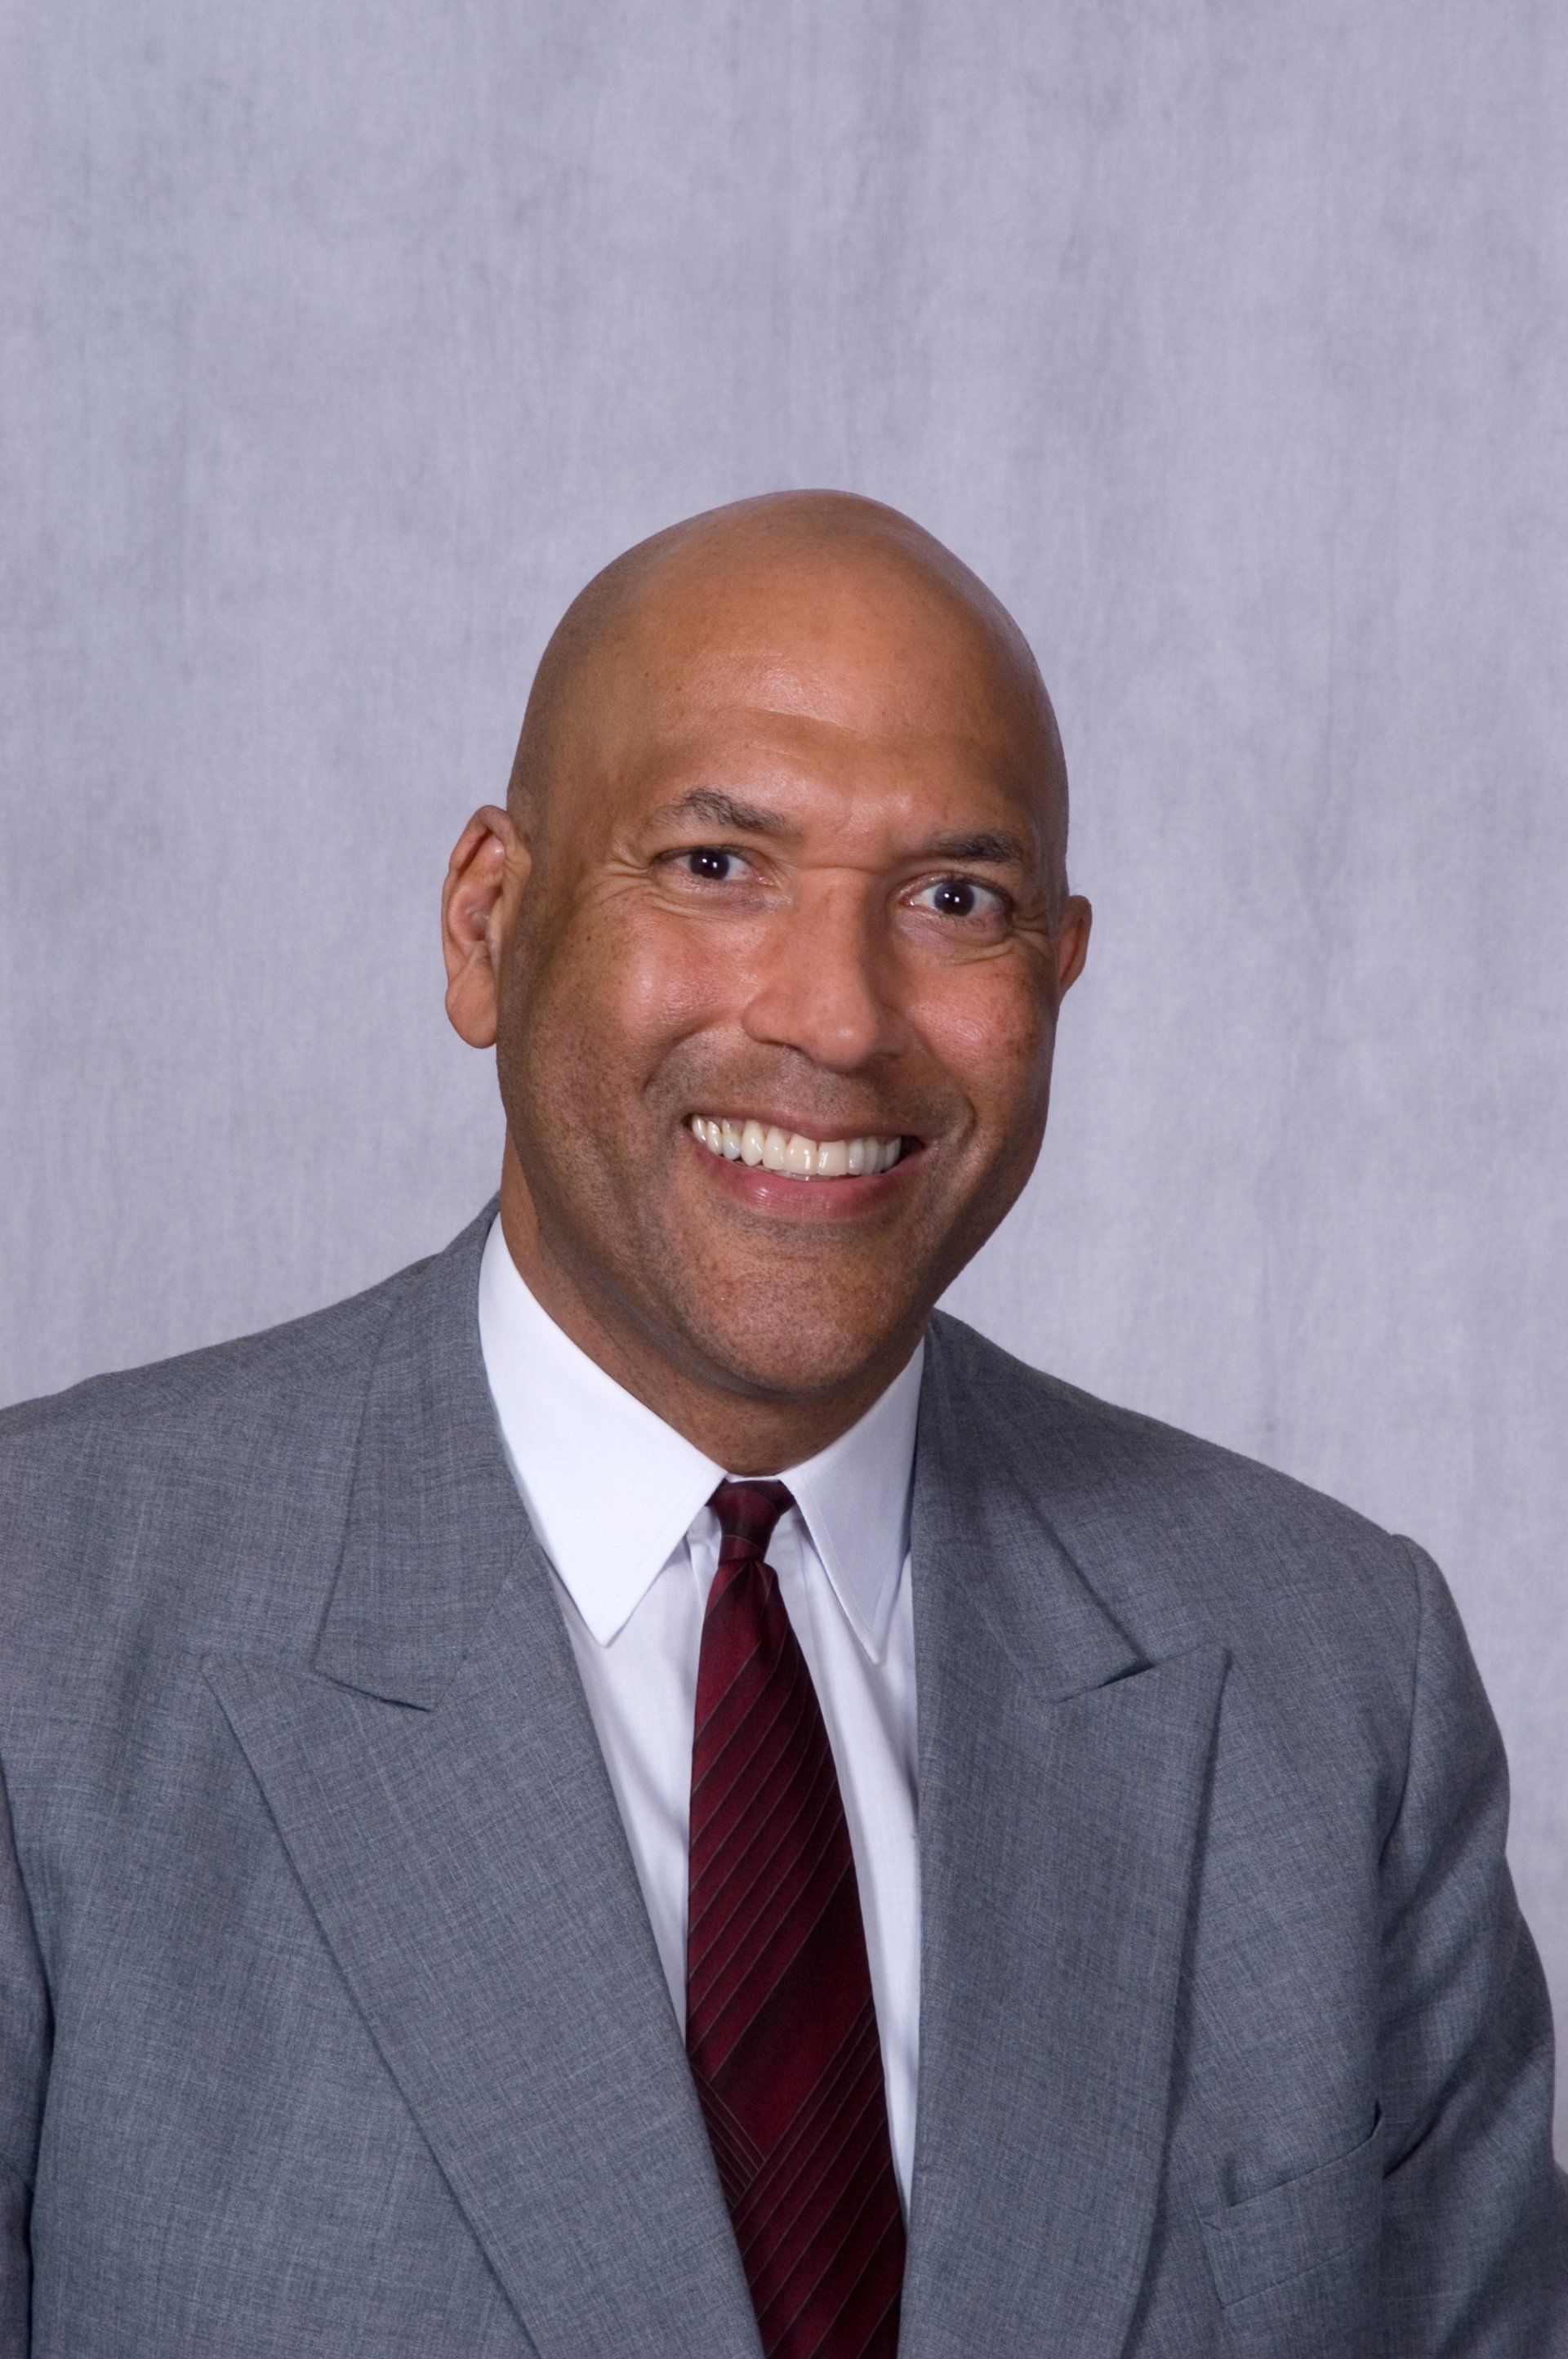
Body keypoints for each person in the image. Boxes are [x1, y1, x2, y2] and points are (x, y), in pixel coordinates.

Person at [1, 491, 1563, 2357]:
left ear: (1056, 976)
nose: (836, 1017)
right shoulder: (46, 1625)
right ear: (488, 923)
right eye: (718, 865)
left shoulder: (1336, 1677)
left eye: (953, 902)